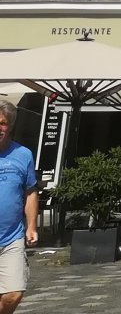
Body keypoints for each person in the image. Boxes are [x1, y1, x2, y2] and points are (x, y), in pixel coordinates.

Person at [0, 99, 39, 314]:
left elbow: (31, 191)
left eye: (3, 123)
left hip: (10, 237)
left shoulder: (23, 155)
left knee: (13, 293)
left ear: (10, 126)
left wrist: (31, 226)